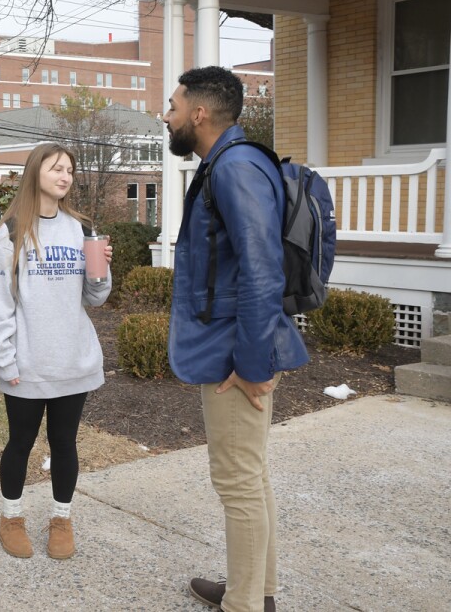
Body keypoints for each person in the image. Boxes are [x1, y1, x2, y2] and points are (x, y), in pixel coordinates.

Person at [164, 66, 309, 612]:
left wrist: (250, 363)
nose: (167, 114)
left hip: (235, 353)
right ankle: (257, 590)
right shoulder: (231, 161)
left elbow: (262, 270)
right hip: (236, 344)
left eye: (174, 106)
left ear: (199, 114)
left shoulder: (235, 168)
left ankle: (245, 604)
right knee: (250, 475)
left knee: (237, 482)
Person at [0, 143, 113, 560]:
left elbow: (95, 297)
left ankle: (61, 518)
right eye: (57, 168)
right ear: (36, 172)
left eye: (70, 170)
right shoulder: (13, 232)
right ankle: (11, 517)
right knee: (20, 443)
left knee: (65, 444)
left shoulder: (80, 228)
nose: (65, 176)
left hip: (73, 360)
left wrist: (102, 269)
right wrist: (5, 359)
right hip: (28, 363)